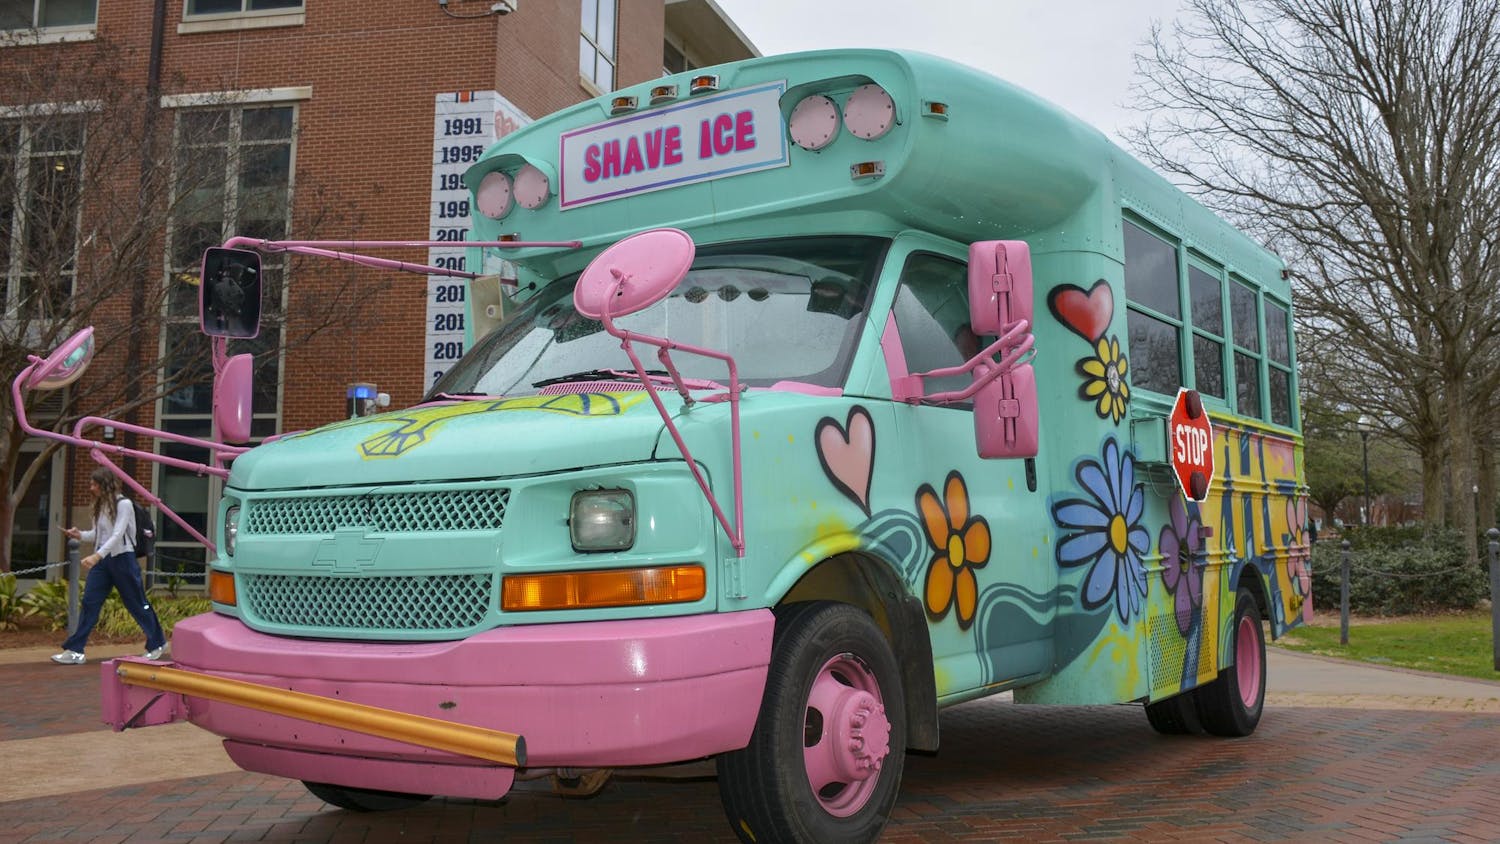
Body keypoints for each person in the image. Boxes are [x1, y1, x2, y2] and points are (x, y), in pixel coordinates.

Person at [50, 467, 167, 665]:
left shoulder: (124, 504)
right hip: (103, 562)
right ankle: (75, 650)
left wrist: (96, 556)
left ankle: (157, 643)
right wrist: (81, 535)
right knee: (89, 603)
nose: (91, 488)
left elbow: (118, 534)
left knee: (137, 603)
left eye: (95, 484)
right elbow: (99, 534)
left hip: (123, 560)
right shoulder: (100, 505)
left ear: (105, 484)